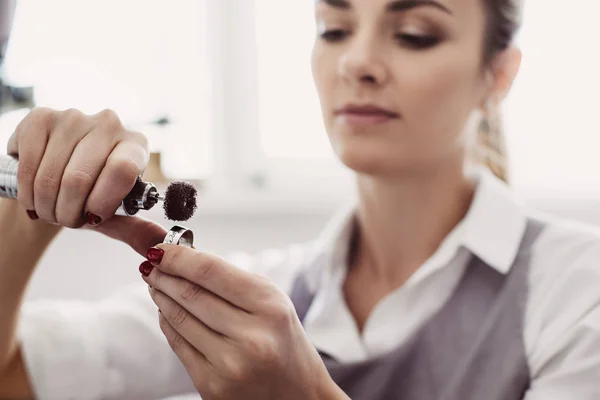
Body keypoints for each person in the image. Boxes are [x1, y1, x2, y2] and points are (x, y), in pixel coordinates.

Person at [1, 0, 600, 398]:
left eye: (415, 34)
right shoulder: (272, 293)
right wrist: (38, 200)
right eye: (333, 29)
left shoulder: (577, 286)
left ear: (497, 75)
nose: (357, 61)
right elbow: (13, 376)